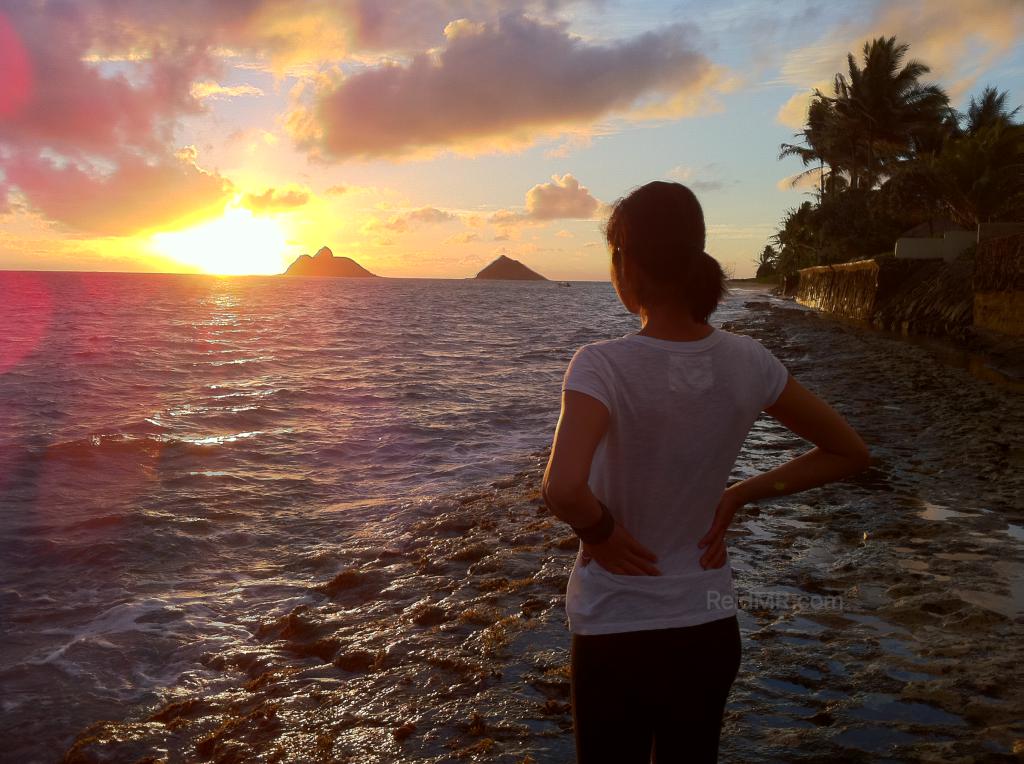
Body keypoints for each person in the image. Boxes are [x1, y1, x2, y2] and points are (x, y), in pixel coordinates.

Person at [542, 181, 871, 763]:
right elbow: (848, 450)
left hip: (616, 624)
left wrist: (601, 532)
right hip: (707, 623)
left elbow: (563, 487)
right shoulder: (749, 361)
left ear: (628, 266)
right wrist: (739, 495)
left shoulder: (601, 366)